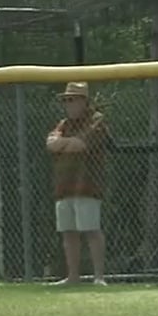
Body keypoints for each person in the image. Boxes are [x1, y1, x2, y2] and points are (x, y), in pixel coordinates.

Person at [45, 82, 111, 286]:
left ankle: (99, 276)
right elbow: (51, 144)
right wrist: (67, 143)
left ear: (83, 101)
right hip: (64, 186)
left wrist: (64, 144)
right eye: (65, 100)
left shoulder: (96, 120)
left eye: (71, 100)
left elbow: (80, 145)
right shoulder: (63, 124)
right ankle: (73, 276)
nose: (68, 104)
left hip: (86, 185)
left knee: (91, 230)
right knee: (68, 232)